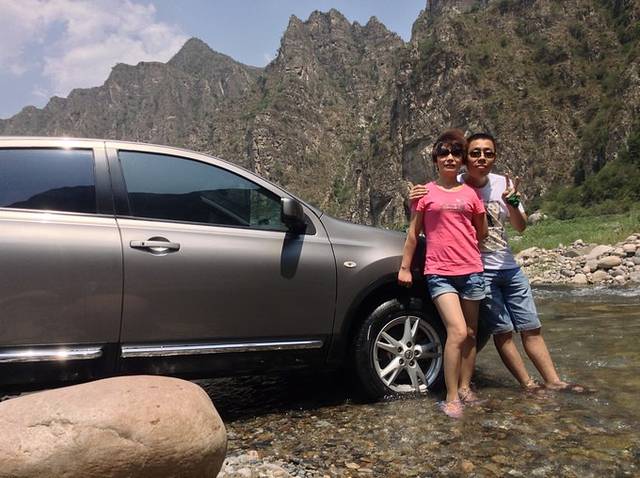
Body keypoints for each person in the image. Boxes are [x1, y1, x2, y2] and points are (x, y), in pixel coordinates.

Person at [410, 132, 584, 393]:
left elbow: (521, 226)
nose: (481, 158)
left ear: (495, 157)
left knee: (531, 327)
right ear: (466, 158)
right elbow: (430, 203)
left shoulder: (504, 184)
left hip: (509, 266)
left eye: (488, 153)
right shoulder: (455, 182)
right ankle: (528, 385)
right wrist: (415, 194)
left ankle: (554, 382)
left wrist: (512, 202)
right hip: (478, 269)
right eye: (475, 153)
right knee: (502, 332)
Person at [398, 129, 488, 418]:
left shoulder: (471, 194)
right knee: (457, 331)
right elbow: (413, 233)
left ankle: (465, 387)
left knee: (471, 333)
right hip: (440, 272)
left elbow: (481, 232)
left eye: (455, 153)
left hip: (472, 270)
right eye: (443, 153)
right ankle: (450, 397)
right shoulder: (424, 193)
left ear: (462, 160)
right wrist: (405, 267)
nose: (449, 157)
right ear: (435, 159)